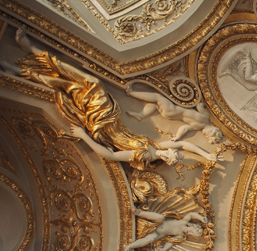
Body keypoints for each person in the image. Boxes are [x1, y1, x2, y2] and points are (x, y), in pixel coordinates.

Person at [8, 30, 187, 170]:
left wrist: (83, 136)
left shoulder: (145, 156)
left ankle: (24, 68)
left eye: (171, 158)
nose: (169, 154)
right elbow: (183, 144)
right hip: (111, 118)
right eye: (172, 153)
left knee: (79, 86)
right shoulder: (157, 146)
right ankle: (31, 56)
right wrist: (203, 154)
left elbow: (111, 156)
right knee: (81, 84)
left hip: (101, 126)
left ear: (168, 161)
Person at [125, 82, 225, 144]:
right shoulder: (196, 127)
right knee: (154, 104)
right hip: (169, 115)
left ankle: (131, 93)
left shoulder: (205, 117)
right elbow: (184, 128)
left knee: (157, 97)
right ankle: (141, 115)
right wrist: (178, 137)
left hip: (173, 110)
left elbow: (199, 106)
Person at [124, 208, 208, 251]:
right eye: (191, 231)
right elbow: (191, 214)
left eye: (190, 235)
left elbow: (170, 242)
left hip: (157, 234)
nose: (188, 233)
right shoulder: (183, 222)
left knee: (150, 239)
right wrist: (200, 218)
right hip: (158, 223)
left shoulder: (180, 235)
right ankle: (139, 213)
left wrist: (163, 250)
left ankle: (130, 246)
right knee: (161, 218)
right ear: (192, 226)